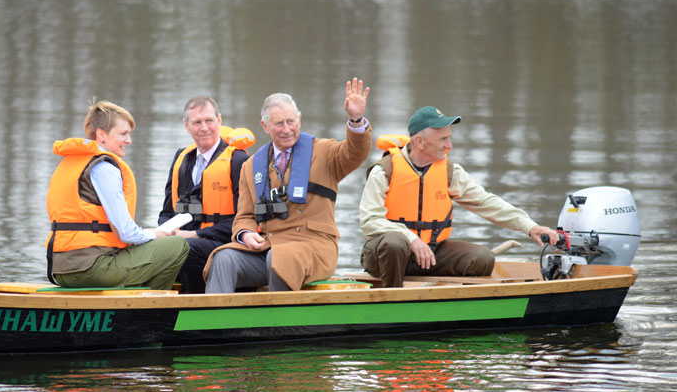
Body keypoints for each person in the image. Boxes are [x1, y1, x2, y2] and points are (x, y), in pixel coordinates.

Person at [359, 105, 560, 288]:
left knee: (483, 259)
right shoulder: (384, 171)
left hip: (430, 254)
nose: (449, 146)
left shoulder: (449, 172)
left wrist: (530, 226)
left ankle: (454, 303)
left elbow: (486, 202)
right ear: (419, 141)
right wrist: (411, 239)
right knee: (394, 243)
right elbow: (370, 220)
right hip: (387, 256)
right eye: (443, 139)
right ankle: (393, 298)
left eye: (449, 138)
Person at [204, 77, 372, 292]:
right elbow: (244, 217)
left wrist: (356, 119)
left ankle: (276, 325)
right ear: (265, 126)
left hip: (314, 248)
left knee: (280, 259)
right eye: (279, 124)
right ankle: (216, 322)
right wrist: (246, 234)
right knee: (224, 257)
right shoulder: (250, 167)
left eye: (291, 121)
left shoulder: (325, 153)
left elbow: (356, 153)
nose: (286, 129)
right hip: (269, 247)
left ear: (299, 120)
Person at [45, 100, 188, 290]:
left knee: (145, 246)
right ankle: (149, 311)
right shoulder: (104, 168)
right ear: (101, 135)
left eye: (129, 134)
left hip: (59, 269)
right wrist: (157, 234)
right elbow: (125, 232)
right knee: (178, 246)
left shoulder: (72, 163)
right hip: (91, 268)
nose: (129, 140)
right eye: (123, 134)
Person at [158, 95, 252, 293]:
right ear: (186, 126)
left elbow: (244, 219)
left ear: (219, 120)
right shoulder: (180, 158)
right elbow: (167, 211)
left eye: (209, 120)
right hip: (183, 239)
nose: (204, 128)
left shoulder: (238, 160)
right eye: (197, 122)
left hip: (223, 243)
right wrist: (163, 232)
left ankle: (197, 307)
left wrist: (195, 234)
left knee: (185, 249)